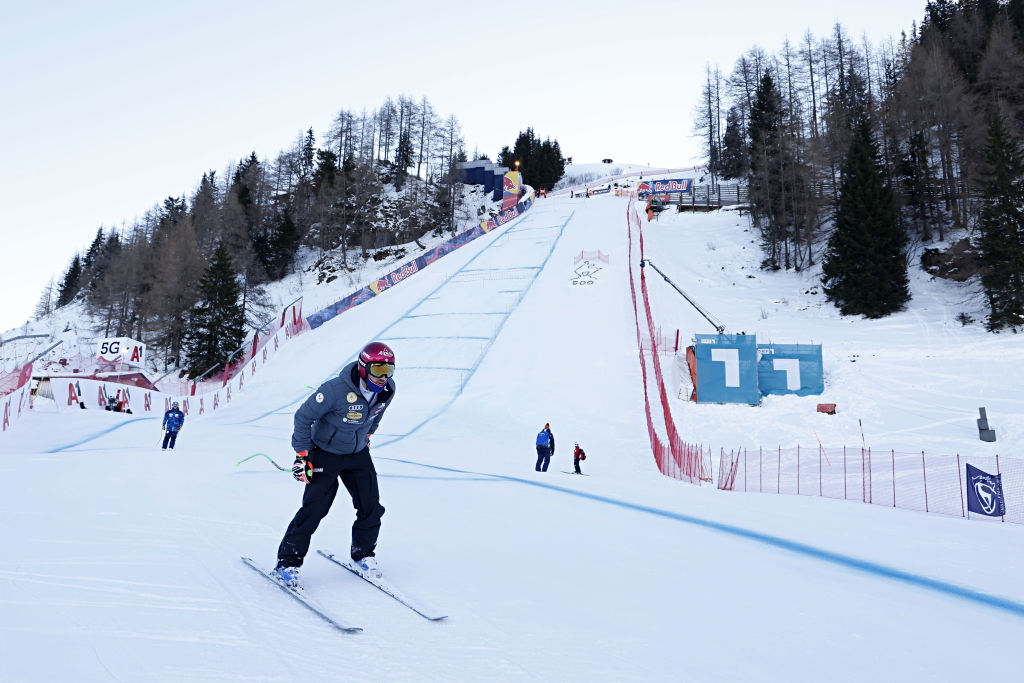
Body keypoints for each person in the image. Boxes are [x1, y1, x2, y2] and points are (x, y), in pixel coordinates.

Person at [274, 342, 397, 589]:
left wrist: (367, 437)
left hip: (357, 453)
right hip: (325, 454)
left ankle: (363, 554)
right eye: (378, 369)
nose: (383, 377)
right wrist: (302, 454)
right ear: (363, 368)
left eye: (389, 370)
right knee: (315, 509)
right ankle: (288, 562)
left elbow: (376, 417)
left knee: (371, 506)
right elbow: (303, 417)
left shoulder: (388, 390)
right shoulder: (335, 390)